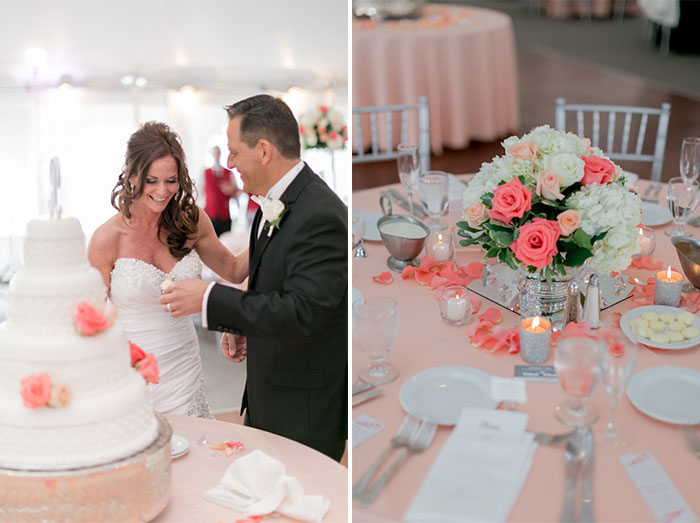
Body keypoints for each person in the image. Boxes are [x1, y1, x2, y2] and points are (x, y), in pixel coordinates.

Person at [160, 95, 348, 461]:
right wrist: (243, 325)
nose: (230, 163)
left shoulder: (319, 214)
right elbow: (274, 286)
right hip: (271, 395)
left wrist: (209, 300)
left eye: (235, 152)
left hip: (302, 409)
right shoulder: (272, 204)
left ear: (263, 151)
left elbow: (303, 312)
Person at [88, 121, 248, 417]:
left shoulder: (191, 221)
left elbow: (235, 269)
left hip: (183, 363)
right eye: (152, 180)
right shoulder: (106, 239)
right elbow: (93, 322)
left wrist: (273, 224)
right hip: (130, 369)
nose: (163, 191)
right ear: (132, 176)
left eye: (171, 180)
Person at [203, 145, 239, 236]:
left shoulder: (229, 173)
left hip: (225, 215)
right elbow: (199, 194)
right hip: (209, 214)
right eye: (215, 153)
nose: (217, 156)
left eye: (218, 153)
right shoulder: (205, 173)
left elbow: (237, 194)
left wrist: (232, 191)